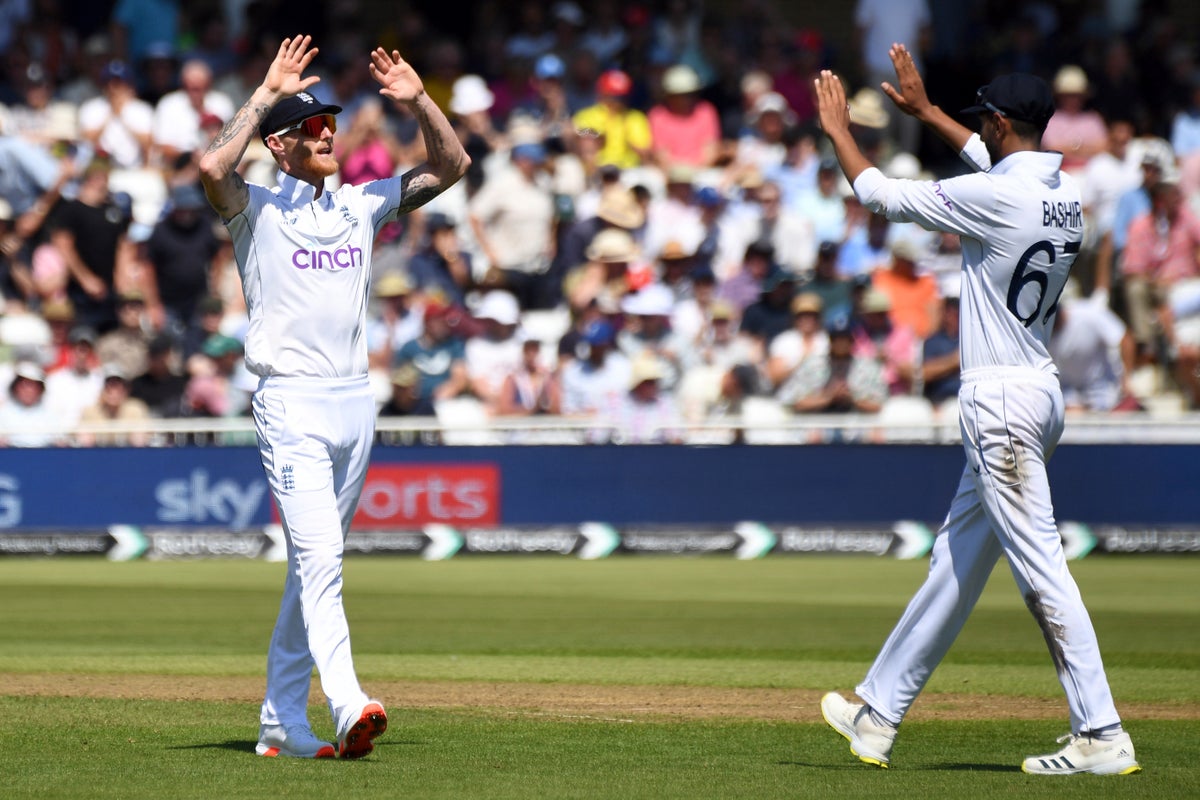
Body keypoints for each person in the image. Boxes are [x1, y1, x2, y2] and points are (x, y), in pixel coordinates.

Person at [813, 44, 1139, 775]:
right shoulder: (1063, 195)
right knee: (955, 566)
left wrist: (838, 129)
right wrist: (927, 112)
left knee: (1042, 570)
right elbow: (993, 167)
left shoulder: (997, 197)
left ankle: (1102, 731)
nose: (980, 133)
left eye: (981, 124)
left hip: (998, 403)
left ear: (998, 124)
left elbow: (878, 195)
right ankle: (877, 715)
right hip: (1036, 393)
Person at [198, 35, 469, 760]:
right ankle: (350, 704)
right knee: (321, 562)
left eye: (330, 125)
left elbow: (452, 166)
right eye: (311, 128)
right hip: (289, 403)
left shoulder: (362, 205)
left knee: (310, 566)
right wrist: (261, 97)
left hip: (355, 404)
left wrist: (420, 103)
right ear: (281, 146)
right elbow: (209, 166)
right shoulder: (252, 208)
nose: (328, 135)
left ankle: (280, 720)